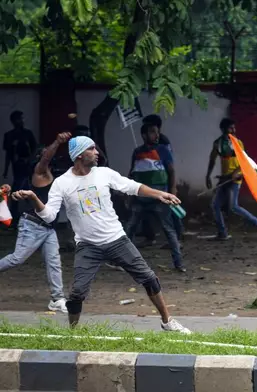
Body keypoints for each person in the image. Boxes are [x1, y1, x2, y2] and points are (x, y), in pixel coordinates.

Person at [12, 136, 190, 333]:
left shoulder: (104, 173)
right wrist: (35, 198)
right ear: (80, 154)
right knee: (77, 293)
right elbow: (48, 216)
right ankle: (73, 332)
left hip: (117, 240)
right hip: (88, 246)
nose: (97, 153)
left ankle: (167, 322)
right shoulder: (62, 183)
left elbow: (131, 186)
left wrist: (159, 194)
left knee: (149, 278)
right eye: (92, 149)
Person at [0, 132, 72, 313]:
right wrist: (57, 141)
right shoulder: (40, 172)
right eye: (46, 153)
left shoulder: (52, 177)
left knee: (54, 263)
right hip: (32, 225)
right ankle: (57, 298)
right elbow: (47, 157)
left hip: (48, 227)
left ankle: (57, 298)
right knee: (17, 259)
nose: (50, 155)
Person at [123, 123, 185, 272]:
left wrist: (172, 191)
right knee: (129, 228)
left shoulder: (163, 150)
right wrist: (128, 193)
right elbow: (132, 173)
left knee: (168, 230)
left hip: (160, 197)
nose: (156, 135)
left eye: (157, 132)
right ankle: (124, 261)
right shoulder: (137, 152)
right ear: (144, 135)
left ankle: (179, 263)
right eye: (152, 132)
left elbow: (171, 172)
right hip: (140, 197)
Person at [206, 118, 257, 240]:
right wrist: (208, 175)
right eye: (230, 128)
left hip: (235, 179)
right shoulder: (218, 143)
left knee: (233, 206)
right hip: (224, 179)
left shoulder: (238, 143)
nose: (234, 130)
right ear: (223, 130)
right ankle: (223, 233)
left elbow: (244, 162)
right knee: (215, 205)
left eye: (234, 128)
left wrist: (236, 172)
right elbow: (212, 159)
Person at [3, 111, 38, 225]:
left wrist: (28, 160)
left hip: (27, 167)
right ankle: (15, 219)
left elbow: (35, 150)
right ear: (13, 121)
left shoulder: (28, 134)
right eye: (18, 119)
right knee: (19, 192)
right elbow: (8, 154)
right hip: (16, 168)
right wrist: (6, 170)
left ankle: (33, 216)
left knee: (24, 191)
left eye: (22, 119)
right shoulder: (9, 135)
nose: (21, 121)